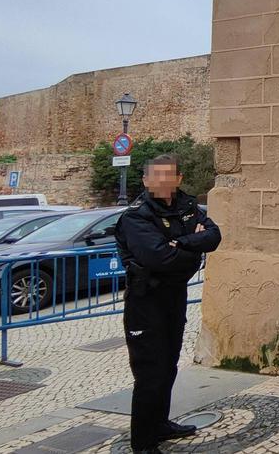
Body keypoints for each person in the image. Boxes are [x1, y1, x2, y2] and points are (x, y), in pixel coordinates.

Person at [115, 153, 221, 454]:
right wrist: (192, 248)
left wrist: (183, 244)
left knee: (169, 365)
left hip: (174, 297)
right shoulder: (136, 216)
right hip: (145, 301)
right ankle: (144, 444)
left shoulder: (188, 207)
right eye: (156, 176)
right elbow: (158, 258)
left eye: (168, 175)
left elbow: (214, 236)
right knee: (150, 373)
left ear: (178, 179)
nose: (162, 181)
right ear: (147, 180)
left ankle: (160, 424)